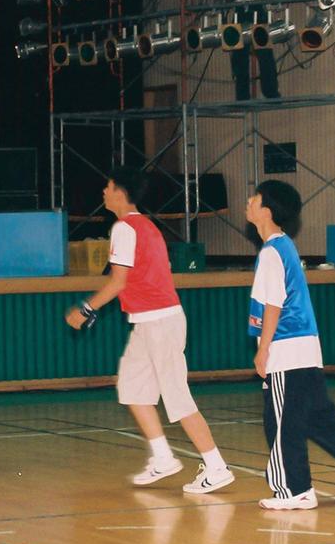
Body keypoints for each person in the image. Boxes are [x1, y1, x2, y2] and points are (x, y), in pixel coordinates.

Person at [65, 167, 233, 494]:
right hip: (147, 322)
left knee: (177, 397)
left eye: (108, 186)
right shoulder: (145, 227)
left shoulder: (126, 228)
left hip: (160, 323)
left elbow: (118, 281)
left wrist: (86, 309)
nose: (103, 192)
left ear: (120, 192)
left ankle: (216, 466)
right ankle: (163, 458)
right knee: (131, 387)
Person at [245, 179, 335, 510]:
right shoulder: (285, 245)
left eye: (255, 197)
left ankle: (294, 490)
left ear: (267, 210)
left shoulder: (272, 252)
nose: (249, 201)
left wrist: (263, 349)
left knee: (280, 423)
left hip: (286, 348)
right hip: (305, 348)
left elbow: (274, 304)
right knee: (314, 418)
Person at [225, 0, 286, 100]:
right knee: (239, 54)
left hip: (257, 8)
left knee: (264, 51)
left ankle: (270, 93)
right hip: (240, 10)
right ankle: (243, 96)